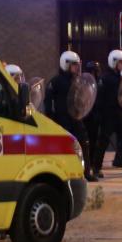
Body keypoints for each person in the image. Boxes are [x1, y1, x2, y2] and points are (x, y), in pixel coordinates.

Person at [46, 51, 97, 182]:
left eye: (78, 65)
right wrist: (51, 118)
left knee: (84, 142)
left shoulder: (78, 81)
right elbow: (48, 102)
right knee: (65, 147)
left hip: (76, 117)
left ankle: (86, 171)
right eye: (74, 65)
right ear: (66, 64)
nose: (77, 68)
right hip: (62, 120)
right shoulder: (55, 82)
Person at [93, 50, 122, 177]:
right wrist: (99, 114)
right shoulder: (106, 78)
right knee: (103, 141)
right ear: (113, 62)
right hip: (108, 114)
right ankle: (96, 168)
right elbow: (100, 97)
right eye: (121, 63)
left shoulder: (120, 77)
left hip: (118, 112)